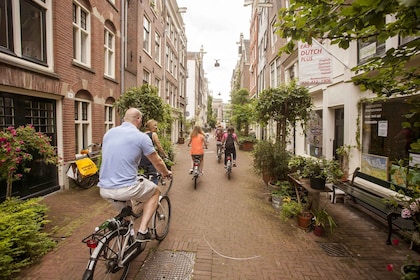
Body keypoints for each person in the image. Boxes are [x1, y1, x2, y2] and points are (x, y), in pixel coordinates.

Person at [98, 108, 171, 244]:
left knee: (127, 213)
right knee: (155, 191)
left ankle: (126, 239)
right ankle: (143, 231)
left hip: (104, 188)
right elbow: (157, 161)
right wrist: (166, 173)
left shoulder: (109, 133)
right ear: (138, 119)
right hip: (126, 187)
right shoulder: (141, 137)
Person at [139, 119, 167, 185]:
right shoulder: (153, 134)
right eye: (155, 125)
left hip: (141, 159)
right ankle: (154, 191)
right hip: (150, 158)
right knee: (154, 175)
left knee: (144, 176)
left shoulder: (142, 135)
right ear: (151, 126)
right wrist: (164, 155)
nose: (156, 127)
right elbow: (159, 146)